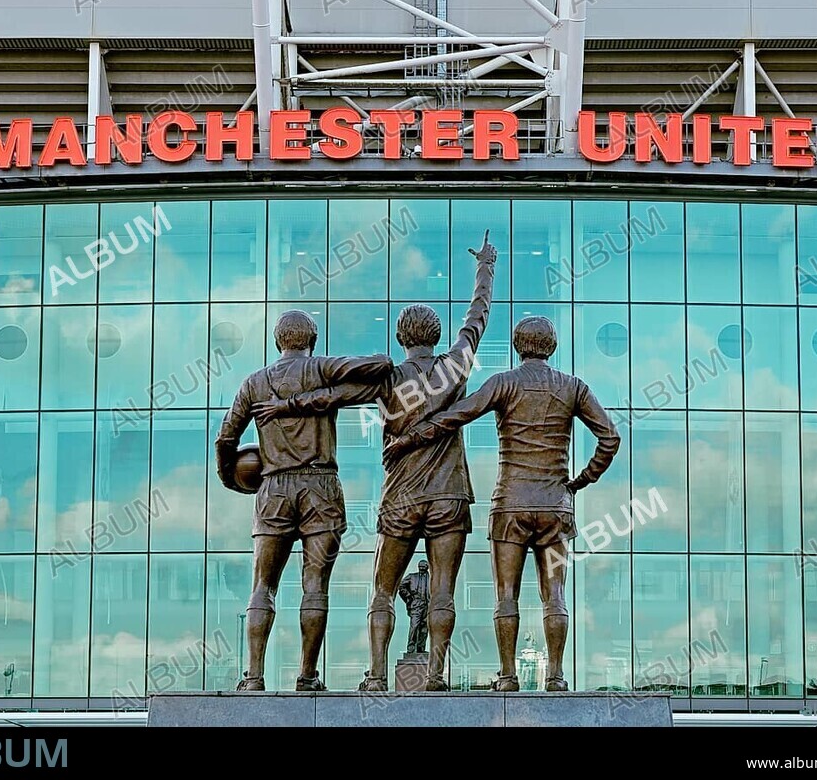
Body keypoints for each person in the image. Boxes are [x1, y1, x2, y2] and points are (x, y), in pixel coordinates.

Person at [251, 231, 498, 691]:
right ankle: (436, 678)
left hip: (401, 498)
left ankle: (377, 677)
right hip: (449, 495)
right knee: (443, 589)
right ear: (436, 336)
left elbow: (334, 397)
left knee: (383, 590)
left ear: (402, 338)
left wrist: (285, 406)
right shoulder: (456, 366)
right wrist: (485, 268)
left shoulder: (388, 379)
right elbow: (477, 318)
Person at [383, 316, 620, 692]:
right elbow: (610, 437)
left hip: (510, 504)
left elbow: (455, 416)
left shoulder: (504, 383)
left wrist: (409, 438)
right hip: (555, 505)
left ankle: (508, 676)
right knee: (554, 595)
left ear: (517, 346)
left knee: (505, 595)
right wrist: (579, 481)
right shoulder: (573, 387)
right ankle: (555, 677)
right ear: (552, 347)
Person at [215, 310, 393, 692]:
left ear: (278, 341)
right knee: (316, 586)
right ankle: (307, 676)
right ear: (311, 340)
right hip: (320, 488)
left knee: (262, 586)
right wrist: (323, 392)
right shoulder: (322, 368)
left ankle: (254, 677)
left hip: (273, 489)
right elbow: (381, 365)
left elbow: (225, 439)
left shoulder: (255, 382)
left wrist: (230, 478)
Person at [398, 560, 431, 654]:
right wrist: (408, 596)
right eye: (420, 566)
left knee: (424, 627)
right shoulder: (412, 577)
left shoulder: (432, 578)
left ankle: (421, 648)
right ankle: (411, 648)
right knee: (414, 626)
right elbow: (401, 586)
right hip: (416, 604)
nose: (421, 568)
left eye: (423, 566)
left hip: (427, 605)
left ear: (427, 567)